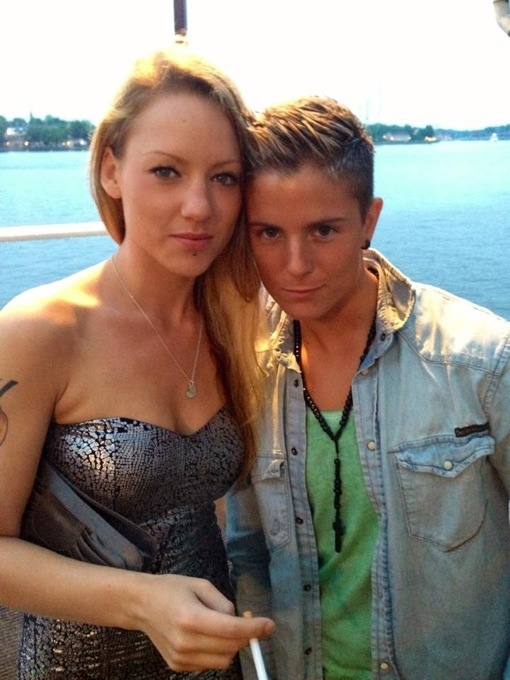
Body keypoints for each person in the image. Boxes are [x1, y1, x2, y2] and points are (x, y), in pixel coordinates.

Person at [0, 47, 274, 678]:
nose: (199, 207)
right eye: (167, 172)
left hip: (208, 662)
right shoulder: (41, 331)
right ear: (110, 171)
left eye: (224, 178)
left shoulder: (237, 326)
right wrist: (142, 602)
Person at [226, 95, 510, 679]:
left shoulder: (479, 363)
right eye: (269, 233)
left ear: (369, 220)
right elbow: (247, 545)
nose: (295, 264)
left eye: (323, 231)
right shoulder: (247, 370)